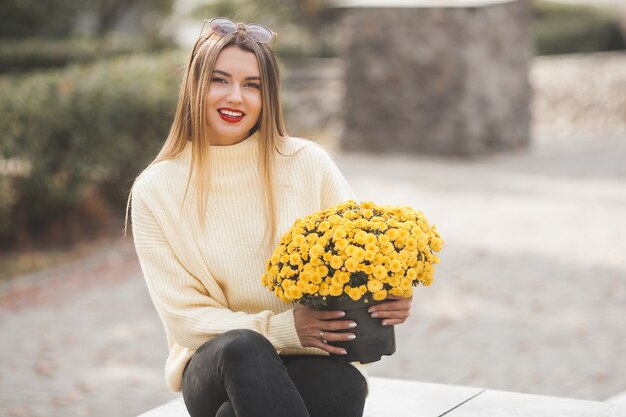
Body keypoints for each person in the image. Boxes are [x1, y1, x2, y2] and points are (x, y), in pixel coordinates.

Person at [128, 17, 412, 417]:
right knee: (245, 346)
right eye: (220, 80)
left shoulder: (306, 164)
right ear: (195, 85)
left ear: (268, 95)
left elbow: (364, 251)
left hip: (305, 361)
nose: (235, 98)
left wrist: (390, 294)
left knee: (342, 384)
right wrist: (282, 329)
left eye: (252, 85)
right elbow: (184, 319)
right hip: (214, 365)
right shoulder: (157, 189)